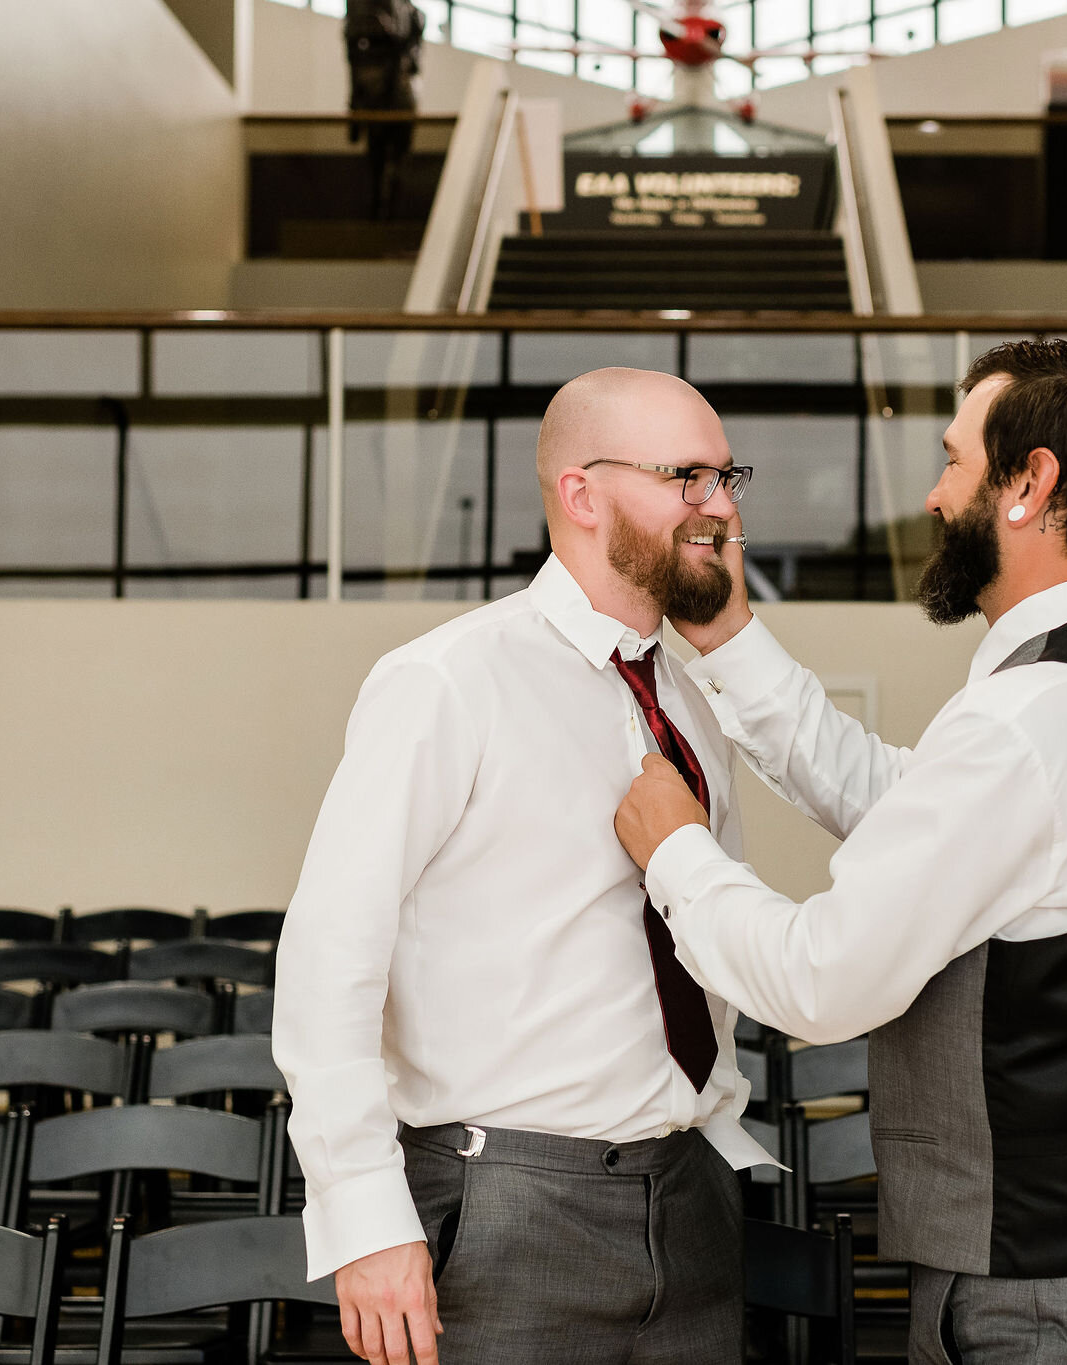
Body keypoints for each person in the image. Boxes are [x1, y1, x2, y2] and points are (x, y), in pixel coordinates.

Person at [615, 339, 1067, 1364]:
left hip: (1053, 1301)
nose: (937, 496)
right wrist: (726, 636)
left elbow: (821, 980)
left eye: (954, 460)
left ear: (1028, 483)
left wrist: (676, 853)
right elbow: (901, 807)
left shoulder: (1029, 718)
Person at [274, 367, 773, 1365]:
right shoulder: (445, 680)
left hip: (690, 1203)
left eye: (726, 477)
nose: (718, 508)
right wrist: (366, 1216)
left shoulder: (690, 699)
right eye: (687, 477)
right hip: (505, 1204)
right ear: (581, 495)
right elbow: (331, 954)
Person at [343, 0, 423, 218]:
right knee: (376, 160)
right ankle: (378, 214)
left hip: (396, 99)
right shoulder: (362, 15)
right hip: (376, 101)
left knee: (396, 162)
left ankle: (390, 215)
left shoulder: (410, 14)